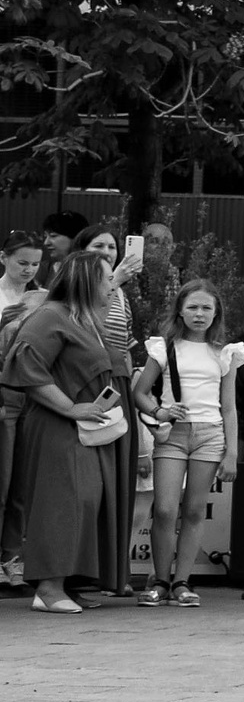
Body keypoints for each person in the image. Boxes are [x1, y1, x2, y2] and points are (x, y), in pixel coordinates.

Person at [4, 251, 120, 613]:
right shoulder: (50, 316)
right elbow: (25, 364)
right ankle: (48, 588)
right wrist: (70, 407)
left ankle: (68, 581)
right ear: (87, 281)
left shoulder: (83, 320)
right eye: (107, 278)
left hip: (83, 428)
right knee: (61, 501)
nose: (112, 285)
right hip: (56, 425)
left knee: (85, 499)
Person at [133, 280, 244, 607]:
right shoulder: (164, 348)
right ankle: (160, 581)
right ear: (180, 310)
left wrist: (232, 453)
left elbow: (228, 406)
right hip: (173, 434)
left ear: (216, 313)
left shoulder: (225, 353)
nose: (199, 314)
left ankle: (182, 582)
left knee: (194, 510)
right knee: (166, 509)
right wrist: (160, 411)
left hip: (210, 435)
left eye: (206, 308)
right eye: (192, 307)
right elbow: (139, 392)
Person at [77, 225, 145, 596]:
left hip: (118, 385)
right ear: (82, 252)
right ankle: (81, 573)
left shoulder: (121, 294)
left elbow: (126, 344)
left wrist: (134, 392)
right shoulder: (81, 288)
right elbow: (83, 327)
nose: (107, 251)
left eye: (112, 247)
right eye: (98, 246)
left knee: (118, 483)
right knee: (93, 483)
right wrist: (113, 281)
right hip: (88, 383)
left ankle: (113, 573)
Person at [0, 229, 46, 589]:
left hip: (33, 394)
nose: (29, 269)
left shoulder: (44, 298)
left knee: (21, 485)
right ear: (3, 258)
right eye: (22, 262)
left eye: (35, 263)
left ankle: (12, 557)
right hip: (3, 394)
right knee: (1, 480)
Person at [37, 211, 87, 284]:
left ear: (76, 237)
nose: (46, 243)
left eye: (53, 236)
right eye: (45, 236)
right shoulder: (42, 269)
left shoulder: (90, 270)